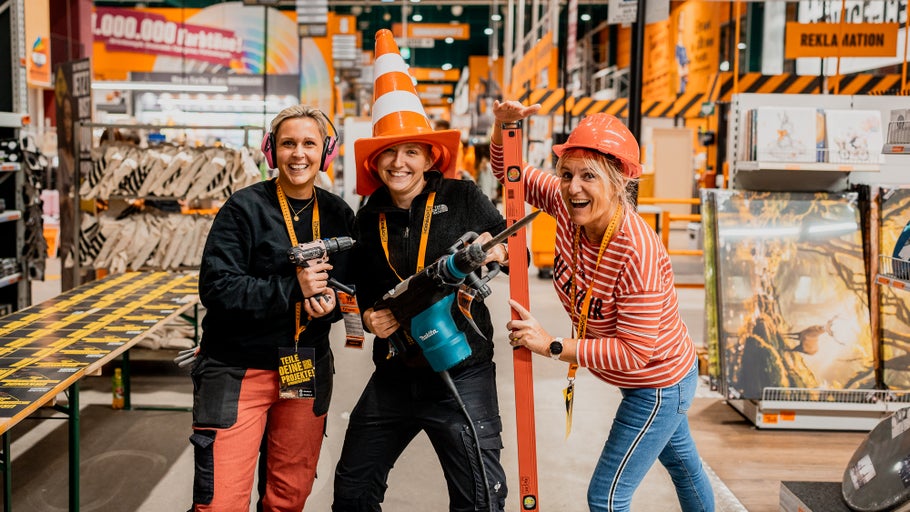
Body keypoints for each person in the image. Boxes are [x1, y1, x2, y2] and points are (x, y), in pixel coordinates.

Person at [490, 100, 715, 512]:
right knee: (685, 467)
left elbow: (633, 352)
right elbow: (511, 175)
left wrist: (552, 345)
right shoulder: (565, 205)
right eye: (567, 174)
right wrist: (503, 126)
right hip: (644, 379)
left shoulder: (636, 251)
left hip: (658, 383)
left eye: (588, 176)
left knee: (607, 497)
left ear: (618, 183)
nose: (573, 186)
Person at [332, 29, 510, 512]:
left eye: (411, 150)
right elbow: (354, 294)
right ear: (375, 160)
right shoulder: (366, 218)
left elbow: (512, 252)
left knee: (479, 500)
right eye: (389, 152)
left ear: (431, 156)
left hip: (462, 370)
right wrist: (367, 320)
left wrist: (494, 253)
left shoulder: (463, 197)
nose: (400, 162)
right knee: (352, 490)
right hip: (394, 373)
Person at [190, 104, 355, 512]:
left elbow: (346, 288)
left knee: (288, 497)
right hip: (236, 370)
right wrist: (292, 289)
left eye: (309, 144)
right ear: (271, 151)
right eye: (288, 144)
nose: (298, 154)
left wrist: (330, 306)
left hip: (304, 366)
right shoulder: (243, 209)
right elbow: (216, 288)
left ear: (325, 152)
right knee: (220, 503)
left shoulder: (338, 213)